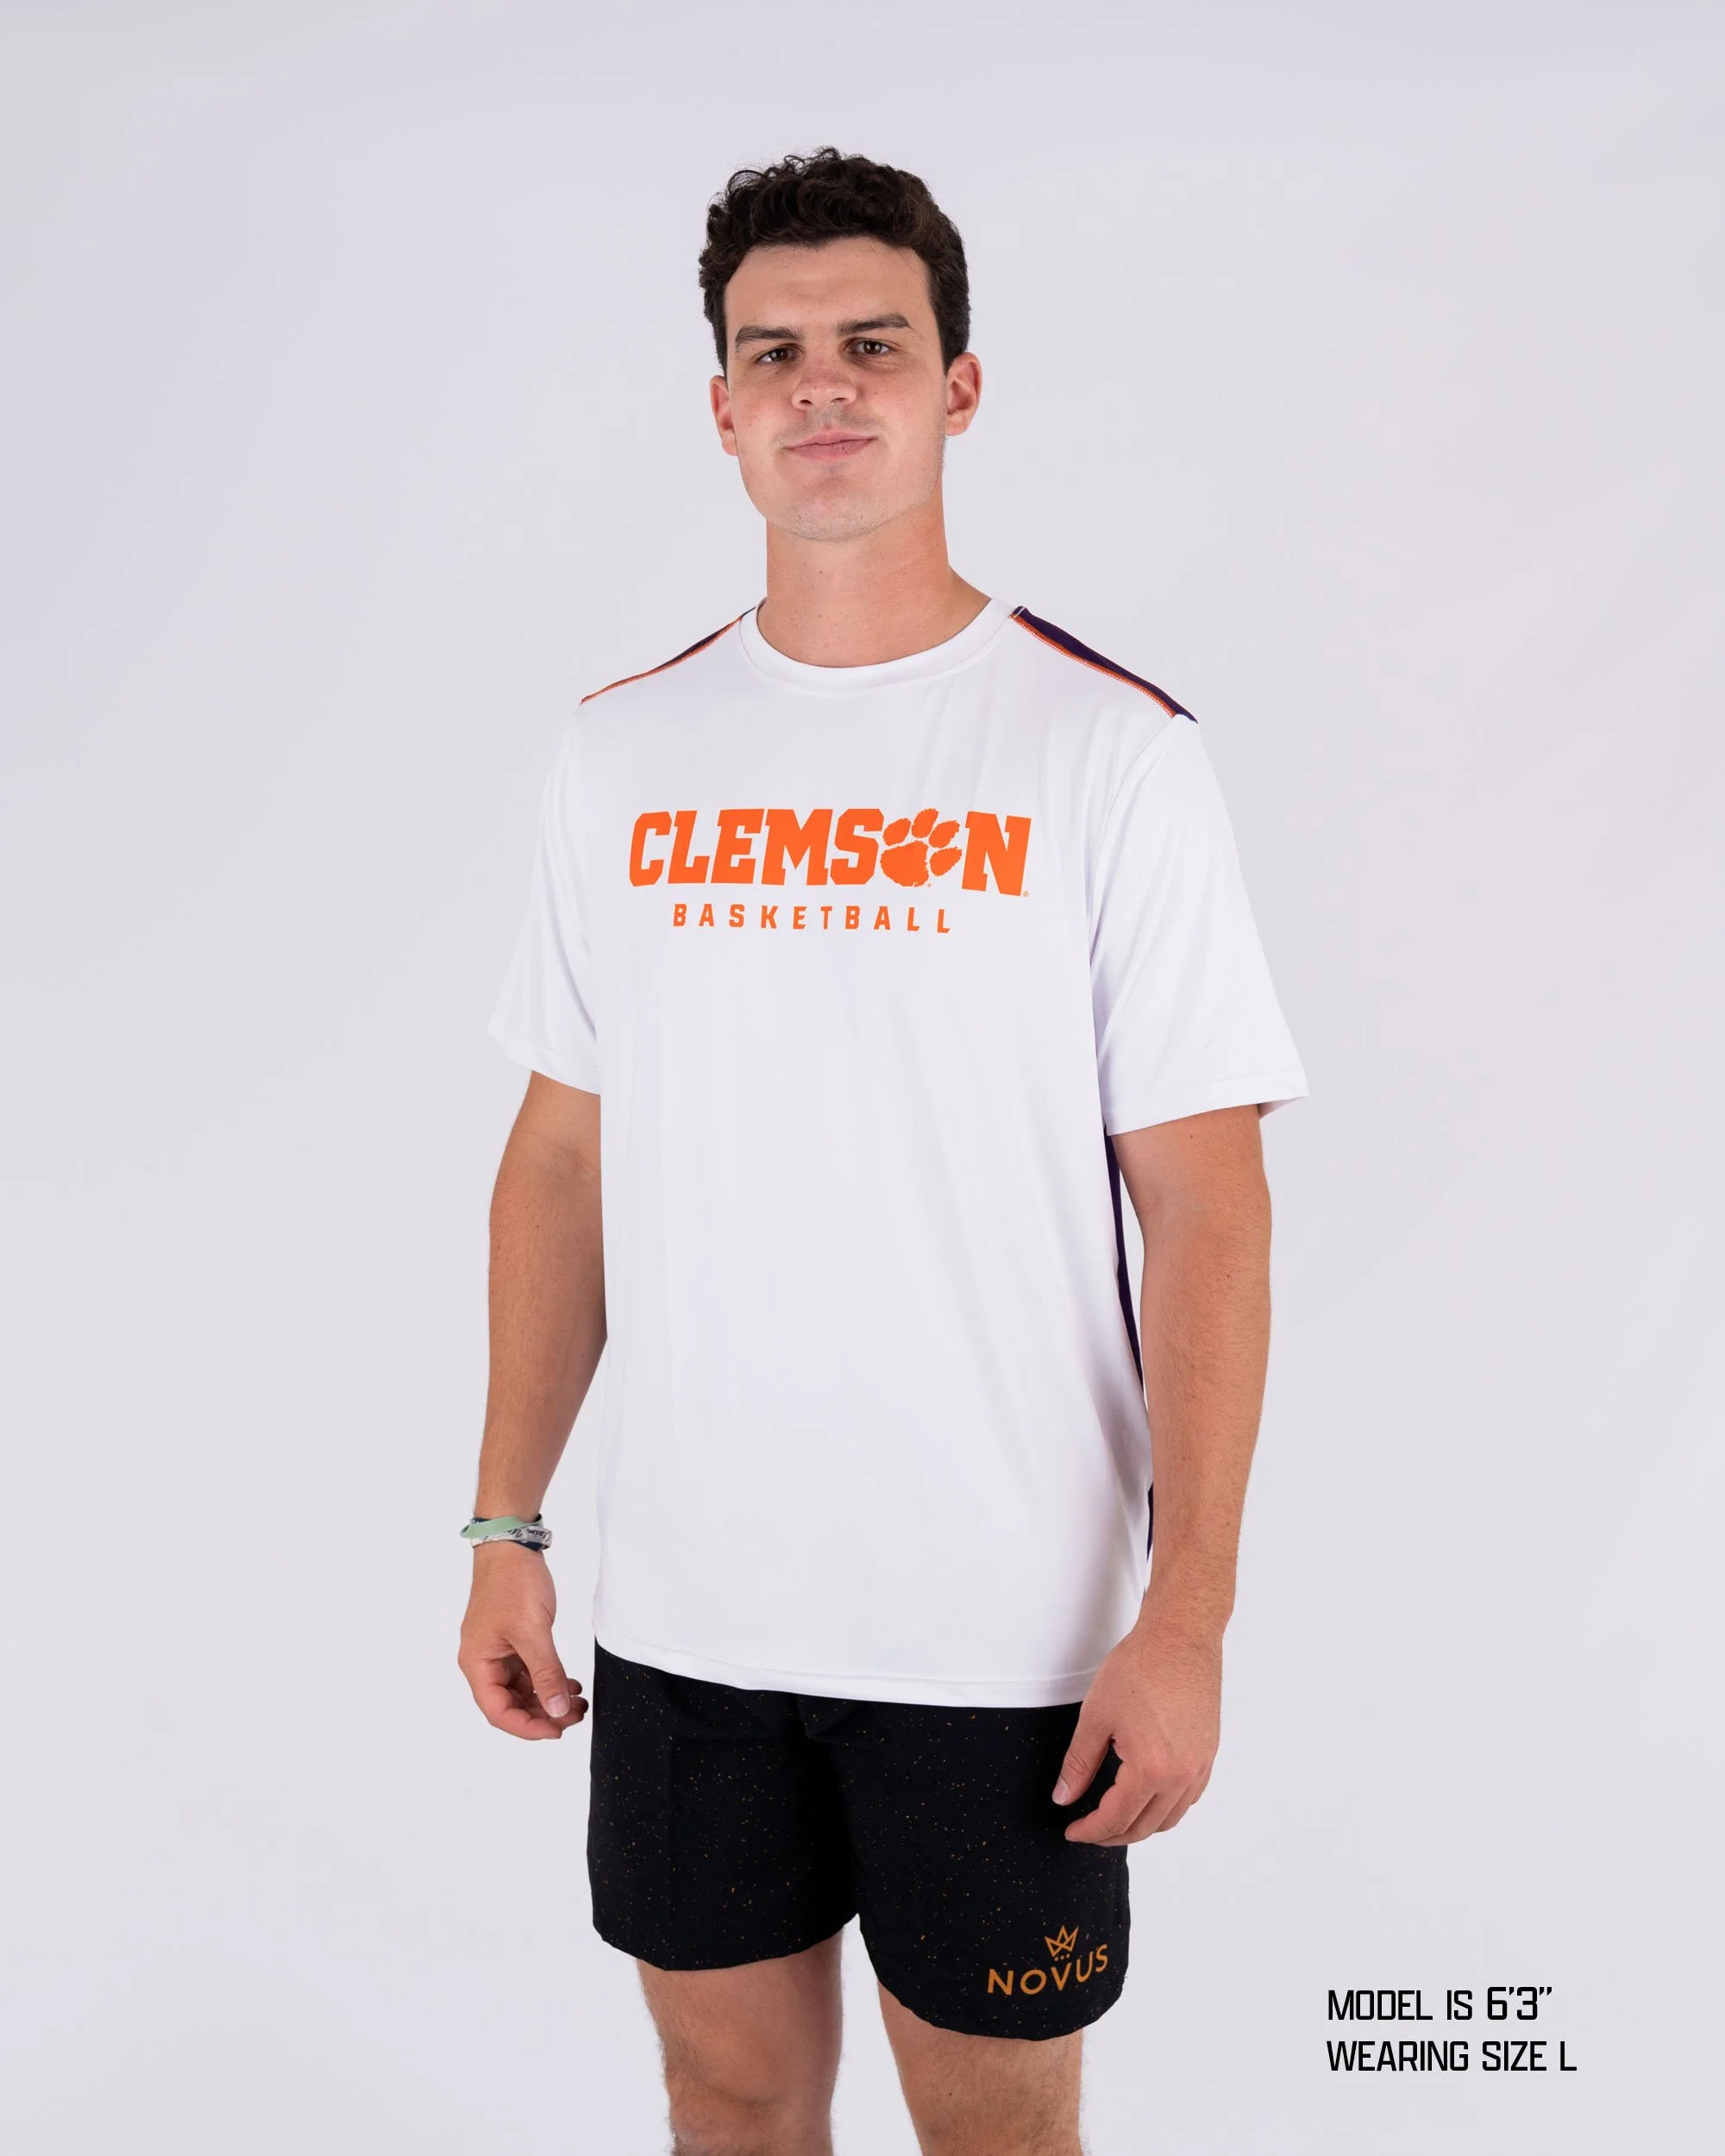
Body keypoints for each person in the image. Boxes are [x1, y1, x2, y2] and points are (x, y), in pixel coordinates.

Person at [458, 147, 1307, 2156]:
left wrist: (1187, 1611)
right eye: (774, 353)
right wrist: (505, 1523)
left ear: (958, 386)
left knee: (995, 2131)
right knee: (729, 2093)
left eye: (872, 343)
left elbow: (1205, 1200)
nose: (821, 384)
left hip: (1003, 1631)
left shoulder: (1106, 751)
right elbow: (562, 1155)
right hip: (687, 1622)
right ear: (721, 406)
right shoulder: (622, 748)